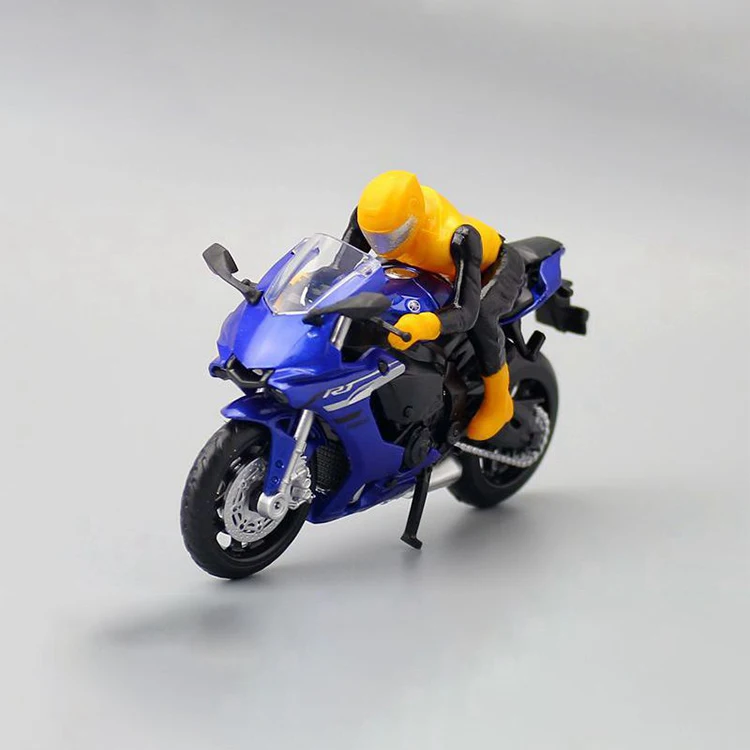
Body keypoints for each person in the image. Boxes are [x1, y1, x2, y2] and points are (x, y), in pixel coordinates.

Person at [342, 170, 525, 441]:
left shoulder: (456, 237)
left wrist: (425, 325)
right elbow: (343, 266)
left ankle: (499, 402)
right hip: (430, 266)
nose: (381, 247)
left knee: (483, 314)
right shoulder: (372, 221)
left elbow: (466, 311)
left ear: (413, 221)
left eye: (391, 237)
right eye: (374, 239)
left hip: (493, 265)